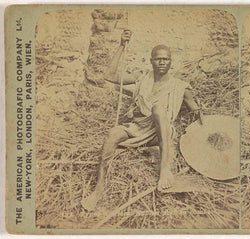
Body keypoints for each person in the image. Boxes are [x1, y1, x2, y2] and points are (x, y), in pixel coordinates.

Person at [81, 30, 204, 211]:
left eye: (166, 59)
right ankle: (98, 190)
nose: (162, 62)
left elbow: (197, 113)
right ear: (151, 61)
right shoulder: (142, 79)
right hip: (138, 128)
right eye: (158, 59)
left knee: (158, 109)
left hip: (160, 132)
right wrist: (122, 45)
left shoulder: (180, 87)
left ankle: (164, 169)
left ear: (170, 62)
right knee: (113, 133)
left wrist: (203, 125)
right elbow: (110, 76)